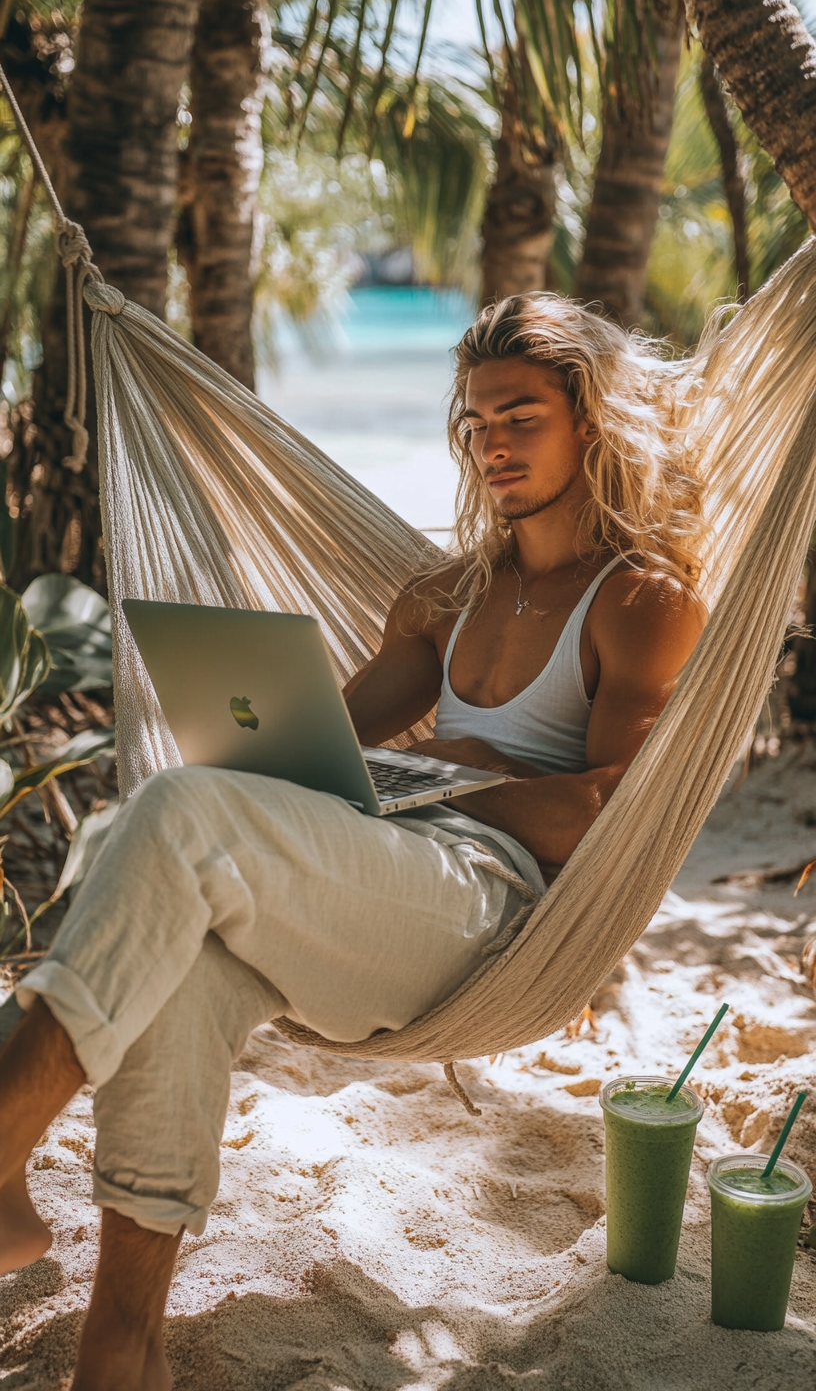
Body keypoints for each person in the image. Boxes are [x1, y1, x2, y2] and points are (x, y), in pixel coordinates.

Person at [0, 293, 707, 1389]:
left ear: (594, 422)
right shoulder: (444, 598)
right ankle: (121, 1344)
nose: (492, 446)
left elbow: (596, 819)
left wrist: (462, 779)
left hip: (493, 912)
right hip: (382, 889)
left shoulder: (640, 600)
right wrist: (281, 733)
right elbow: (319, 745)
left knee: (181, 812)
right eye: (474, 425)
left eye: (520, 415)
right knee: (188, 945)